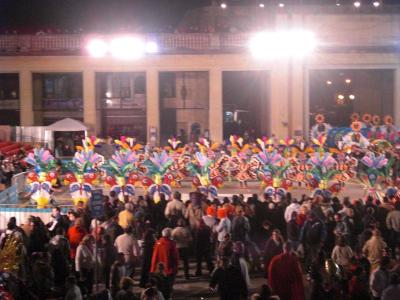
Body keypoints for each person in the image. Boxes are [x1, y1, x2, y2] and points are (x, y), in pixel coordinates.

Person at [151, 228, 179, 298]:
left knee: (159, 285)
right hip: (168, 268)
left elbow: (155, 256)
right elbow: (175, 257)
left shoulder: (157, 243)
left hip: (158, 269)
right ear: (169, 235)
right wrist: (176, 267)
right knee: (168, 286)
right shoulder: (171, 244)